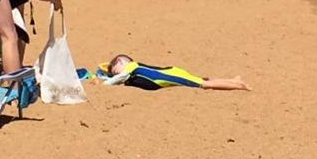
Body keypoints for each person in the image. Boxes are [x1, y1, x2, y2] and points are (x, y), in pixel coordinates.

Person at [101, 54, 250, 91]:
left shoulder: (131, 67)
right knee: (200, 79)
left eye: (115, 70)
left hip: (171, 75)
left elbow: (118, 78)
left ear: (122, 62)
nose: (116, 73)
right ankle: (232, 79)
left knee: (204, 84)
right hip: (172, 71)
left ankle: (238, 85)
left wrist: (105, 83)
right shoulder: (132, 70)